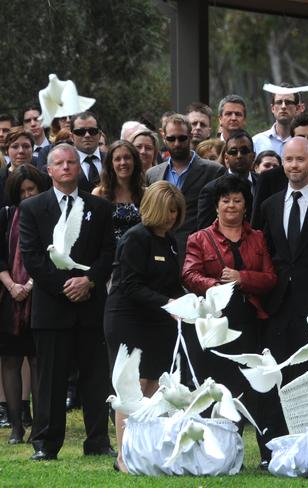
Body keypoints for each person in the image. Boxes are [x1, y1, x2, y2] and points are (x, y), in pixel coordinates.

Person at [19, 143, 115, 461]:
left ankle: (98, 440)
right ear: (48, 170)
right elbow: (32, 257)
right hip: (51, 308)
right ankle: (46, 443)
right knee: (50, 381)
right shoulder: (33, 208)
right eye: (58, 163)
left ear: (79, 166)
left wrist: (88, 281)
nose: (65, 167)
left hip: (90, 305)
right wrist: (65, 287)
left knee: (95, 378)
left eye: (71, 162)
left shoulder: (99, 207)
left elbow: (107, 252)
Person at [257, 138, 308, 464]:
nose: (293, 166)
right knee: (274, 377)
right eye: (288, 159)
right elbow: (263, 254)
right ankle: (271, 449)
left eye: (300, 159)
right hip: (277, 307)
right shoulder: (270, 205)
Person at [103, 181, 186, 472]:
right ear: (152, 208)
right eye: (166, 210)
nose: (171, 216)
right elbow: (131, 286)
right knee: (132, 386)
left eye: (175, 211)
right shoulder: (135, 238)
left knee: (152, 384)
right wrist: (169, 304)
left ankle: (141, 450)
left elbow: (173, 284)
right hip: (129, 318)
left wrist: (192, 304)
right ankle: (124, 456)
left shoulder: (171, 241)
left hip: (157, 321)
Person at [182, 175, 276, 395]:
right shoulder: (199, 238)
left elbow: (271, 278)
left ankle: (237, 429)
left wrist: (242, 278)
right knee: (212, 382)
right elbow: (188, 274)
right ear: (216, 206)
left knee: (241, 385)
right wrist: (218, 287)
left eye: (237, 200)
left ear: (246, 206)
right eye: (225, 200)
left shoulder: (258, 237)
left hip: (249, 320)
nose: (231, 205)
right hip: (214, 321)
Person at [0, 165, 48, 444]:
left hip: (40, 298)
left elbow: (50, 256)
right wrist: (12, 286)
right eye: (23, 191)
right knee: (10, 361)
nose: (28, 195)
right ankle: (16, 426)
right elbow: (1, 258)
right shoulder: (6, 216)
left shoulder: (47, 216)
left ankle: (39, 427)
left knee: (38, 362)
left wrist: (29, 285)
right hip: (9, 301)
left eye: (32, 190)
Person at [145, 113, 225, 261]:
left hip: (199, 251)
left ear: (190, 135)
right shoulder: (152, 174)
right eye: (171, 138)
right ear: (164, 138)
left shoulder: (214, 171)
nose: (176, 143)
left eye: (182, 138)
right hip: (159, 251)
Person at [197, 130, 257, 229]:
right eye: (233, 152)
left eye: (244, 151)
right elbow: (204, 233)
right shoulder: (211, 190)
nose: (239, 156)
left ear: (253, 155)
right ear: (226, 157)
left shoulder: (263, 183)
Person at [92, 141, 144, 242]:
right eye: (117, 159)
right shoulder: (99, 194)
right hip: (110, 254)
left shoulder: (145, 194)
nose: (123, 163)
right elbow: (94, 232)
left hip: (139, 253)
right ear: (111, 164)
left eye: (127, 158)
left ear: (135, 161)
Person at [253, 90, 302, 156]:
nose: (283, 106)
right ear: (272, 108)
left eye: (288, 102)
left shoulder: (303, 140)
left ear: (297, 108)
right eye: (279, 102)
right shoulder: (257, 142)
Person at [70, 112, 105, 193]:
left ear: (99, 135)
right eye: (80, 132)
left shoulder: (112, 161)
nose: (87, 135)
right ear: (71, 137)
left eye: (92, 131)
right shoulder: (64, 165)